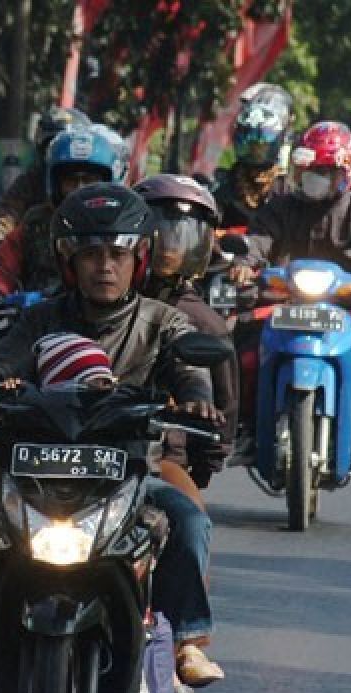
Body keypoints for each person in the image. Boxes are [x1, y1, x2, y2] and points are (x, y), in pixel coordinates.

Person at [0, 184, 225, 693]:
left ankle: (185, 647)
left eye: (117, 255)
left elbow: (192, 373)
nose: (105, 268)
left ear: (138, 259)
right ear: (70, 261)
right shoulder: (41, 318)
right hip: (41, 472)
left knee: (187, 523)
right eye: (91, 254)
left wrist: (199, 404)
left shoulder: (163, 322)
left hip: (132, 472)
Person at [229, 121, 351, 478]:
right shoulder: (281, 207)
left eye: (321, 170)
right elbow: (259, 240)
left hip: (347, 312)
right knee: (228, 345)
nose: (311, 177)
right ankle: (246, 429)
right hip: (284, 307)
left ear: (344, 173)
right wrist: (246, 263)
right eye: (307, 169)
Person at [133, 174, 239, 490]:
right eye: (161, 232)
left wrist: (207, 459)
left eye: (183, 235)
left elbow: (223, 405)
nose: (170, 247)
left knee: (191, 528)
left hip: (163, 458)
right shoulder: (102, 303)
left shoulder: (205, 323)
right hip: (85, 451)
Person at [0, 124, 128, 330]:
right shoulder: (36, 223)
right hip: (37, 328)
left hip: (108, 329)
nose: (79, 190)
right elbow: (2, 267)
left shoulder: (126, 228)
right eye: (71, 181)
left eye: (89, 180)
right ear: (54, 183)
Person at [0, 105, 90, 233]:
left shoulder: (103, 182)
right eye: (51, 147)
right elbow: (7, 216)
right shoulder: (31, 181)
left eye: (87, 179)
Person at [211, 100, 291, 229]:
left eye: (262, 145)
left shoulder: (285, 191)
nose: (256, 151)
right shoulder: (226, 183)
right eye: (251, 144)